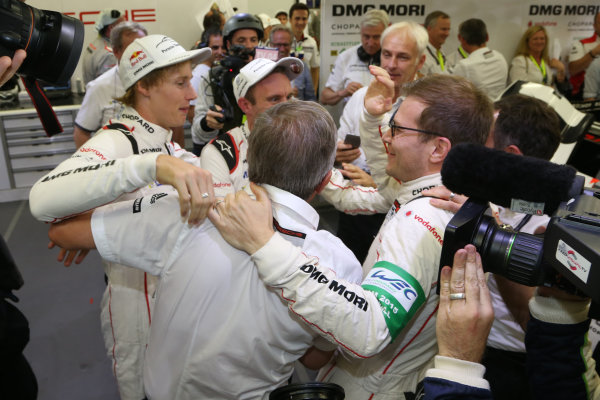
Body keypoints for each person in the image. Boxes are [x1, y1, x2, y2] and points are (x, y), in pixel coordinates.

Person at [47, 101, 364, 399]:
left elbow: (62, 232)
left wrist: (117, 215)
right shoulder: (341, 265)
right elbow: (314, 356)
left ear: (249, 162)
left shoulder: (184, 213)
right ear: (324, 182)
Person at [210, 73, 493, 398]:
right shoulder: (437, 196)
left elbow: (369, 330)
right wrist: (372, 116)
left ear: (438, 149)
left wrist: (267, 246)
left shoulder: (421, 218)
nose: (386, 136)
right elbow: (388, 181)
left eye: (397, 129)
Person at [29, 35, 214, 400]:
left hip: (171, 302)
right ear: (143, 86)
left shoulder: (163, 141)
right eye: (180, 83)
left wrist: (90, 222)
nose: (192, 95)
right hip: (136, 314)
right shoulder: (117, 141)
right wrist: (152, 166)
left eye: (190, 81)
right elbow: (41, 199)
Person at [322, 21, 428, 263]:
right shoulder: (361, 97)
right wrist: (338, 154)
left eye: (402, 57)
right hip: (354, 196)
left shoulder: (428, 106)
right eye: (387, 54)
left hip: (401, 208)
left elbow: (427, 172)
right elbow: (343, 140)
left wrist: (381, 183)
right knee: (349, 265)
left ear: (420, 62)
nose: (391, 64)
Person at [200, 57, 300, 198]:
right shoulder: (220, 153)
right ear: (246, 105)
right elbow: (224, 216)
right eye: (274, 99)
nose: (287, 107)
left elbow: (335, 188)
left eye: (289, 97)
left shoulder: (304, 137)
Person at [191, 13, 263, 154]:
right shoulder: (213, 77)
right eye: (241, 40)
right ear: (229, 44)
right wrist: (208, 124)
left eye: (253, 40)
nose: (248, 46)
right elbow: (198, 134)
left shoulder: (270, 74)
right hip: (226, 154)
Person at [73, 22, 148, 148]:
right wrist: (95, 164)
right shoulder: (99, 87)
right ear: (116, 52)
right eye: (133, 48)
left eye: (144, 47)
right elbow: (81, 133)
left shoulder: (158, 80)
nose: (141, 53)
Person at [320, 10, 389, 106]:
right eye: (366, 36)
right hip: (352, 120)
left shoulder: (394, 59)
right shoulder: (346, 57)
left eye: (376, 37)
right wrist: (343, 92)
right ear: (360, 33)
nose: (370, 42)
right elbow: (324, 98)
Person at [450, 18, 508, 100]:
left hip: (476, 111)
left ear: (461, 39)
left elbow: (448, 90)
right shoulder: (500, 57)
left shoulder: (465, 65)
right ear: (487, 37)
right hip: (499, 108)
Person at [187, 27, 226, 142]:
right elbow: (191, 115)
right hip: (203, 142)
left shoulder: (218, 72)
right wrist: (207, 125)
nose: (220, 52)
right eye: (215, 48)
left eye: (223, 47)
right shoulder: (200, 75)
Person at [268, 25, 315, 101]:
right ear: (270, 44)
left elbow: (310, 98)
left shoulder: (301, 67)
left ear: (291, 44)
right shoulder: (262, 69)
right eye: (278, 45)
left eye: (286, 45)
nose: (282, 49)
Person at [81, 8, 126, 85]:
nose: (126, 29)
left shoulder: (95, 44)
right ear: (111, 28)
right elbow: (111, 87)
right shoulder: (109, 54)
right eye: (123, 25)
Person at [568, 12, 600, 99]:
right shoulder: (581, 44)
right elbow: (572, 70)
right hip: (585, 92)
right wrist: (593, 53)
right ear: (594, 26)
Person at [289, 3, 320, 93]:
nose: (301, 22)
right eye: (297, 18)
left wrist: (313, 91)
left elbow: (315, 69)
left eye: (304, 19)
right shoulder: (282, 40)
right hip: (283, 92)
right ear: (290, 20)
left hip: (303, 92)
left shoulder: (311, 42)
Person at [422, 11, 451, 75]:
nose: (447, 33)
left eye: (448, 29)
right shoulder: (420, 53)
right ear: (429, 29)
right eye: (443, 29)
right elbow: (419, 83)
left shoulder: (440, 52)